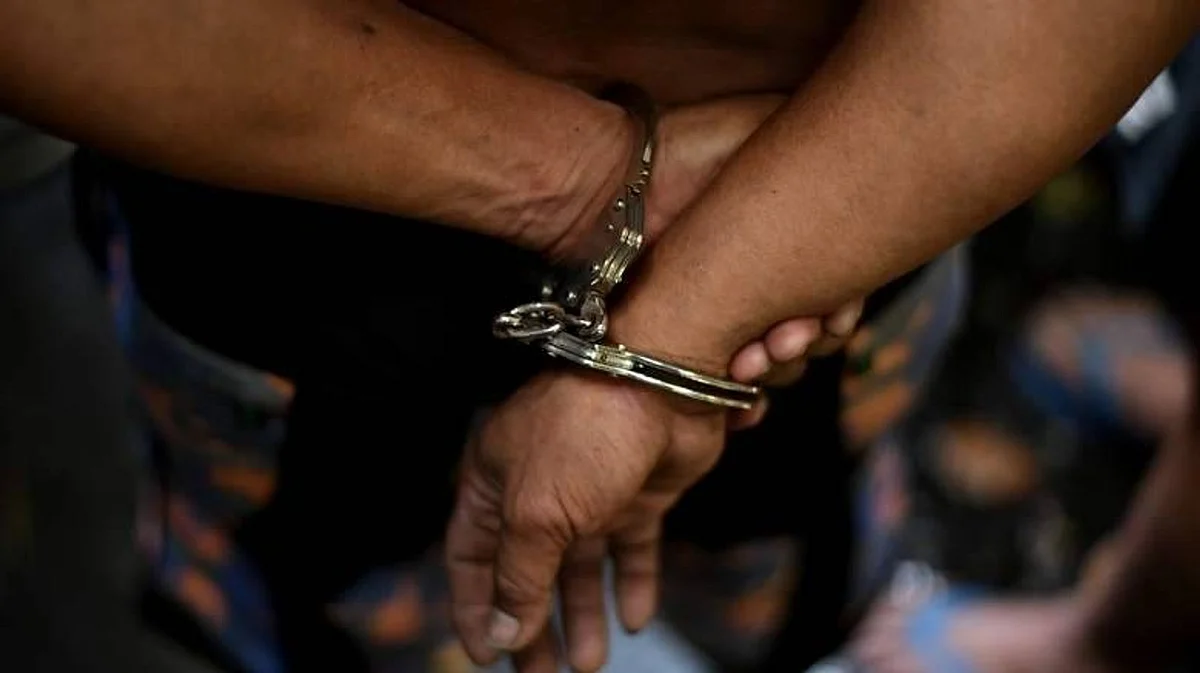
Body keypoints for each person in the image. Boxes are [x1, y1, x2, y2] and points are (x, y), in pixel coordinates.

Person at [3, 2, 1198, 672]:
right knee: (330, 591)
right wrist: (586, 184)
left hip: (836, 212)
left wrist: (701, 301)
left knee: (783, 554)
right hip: (292, 230)